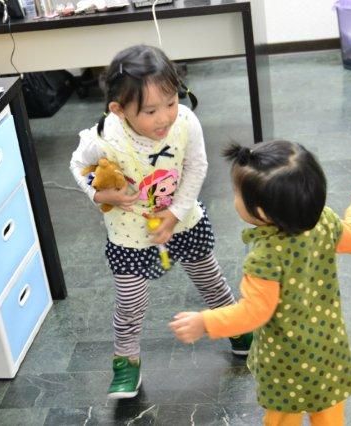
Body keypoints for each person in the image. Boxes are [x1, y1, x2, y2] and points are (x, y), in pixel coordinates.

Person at [69, 44, 252, 399]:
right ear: (119, 109)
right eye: (150, 111)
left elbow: (196, 167)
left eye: (170, 102)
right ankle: (126, 360)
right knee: (130, 301)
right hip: (130, 233)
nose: (164, 118)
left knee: (211, 281)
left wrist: (174, 213)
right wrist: (100, 195)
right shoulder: (105, 136)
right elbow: (77, 166)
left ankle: (236, 328)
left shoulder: (185, 122)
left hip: (182, 220)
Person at [169, 140, 351, 426]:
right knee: (330, 417)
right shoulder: (324, 221)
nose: (234, 198)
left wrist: (206, 322)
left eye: (236, 193)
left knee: (282, 419)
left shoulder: (265, 259)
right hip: (328, 353)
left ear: (262, 213)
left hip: (285, 365)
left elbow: (253, 313)